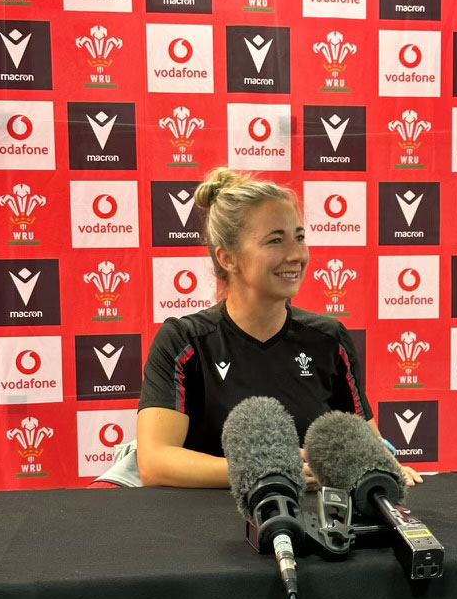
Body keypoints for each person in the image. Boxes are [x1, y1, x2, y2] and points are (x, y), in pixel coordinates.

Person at [136, 168, 423, 489]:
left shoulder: (330, 339)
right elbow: (155, 462)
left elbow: (367, 444)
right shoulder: (184, 341)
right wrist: (271, 471)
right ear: (228, 258)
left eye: (299, 237)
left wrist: (382, 464)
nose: (296, 254)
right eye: (275, 240)